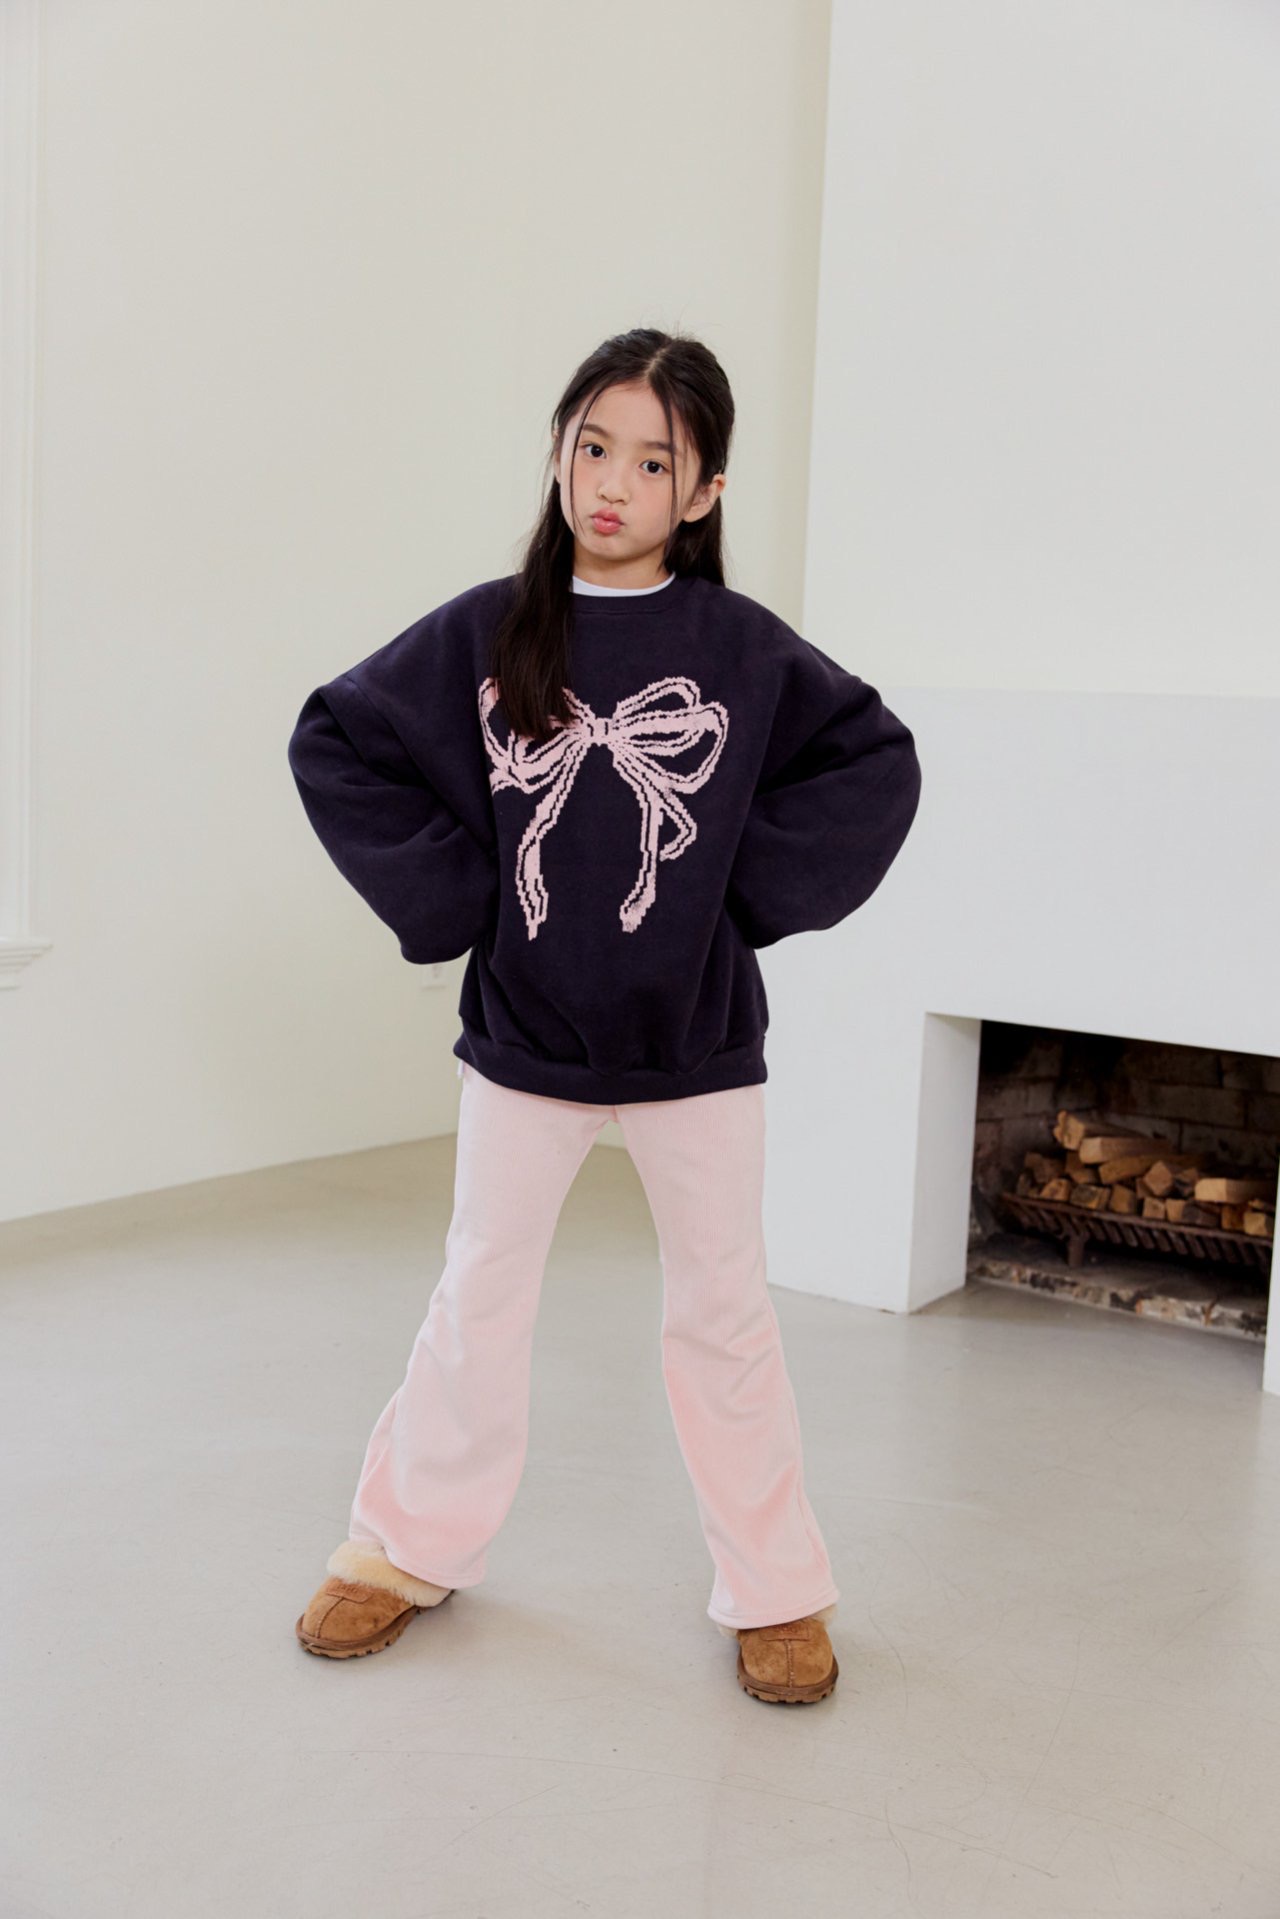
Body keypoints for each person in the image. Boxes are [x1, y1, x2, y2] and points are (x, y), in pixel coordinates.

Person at [286, 326, 922, 1704]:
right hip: (526, 1041)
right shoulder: (486, 631)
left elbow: (873, 760)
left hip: (697, 1046)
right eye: (592, 449)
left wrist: (732, 893)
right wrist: (463, 898)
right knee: (480, 1289)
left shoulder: (740, 648)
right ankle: (402, 1547)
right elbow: (336, 739)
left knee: (724, 1312)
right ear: (561, 455)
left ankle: (776, 1588)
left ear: (704, 492)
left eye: (652, 462)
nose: (613, 485)